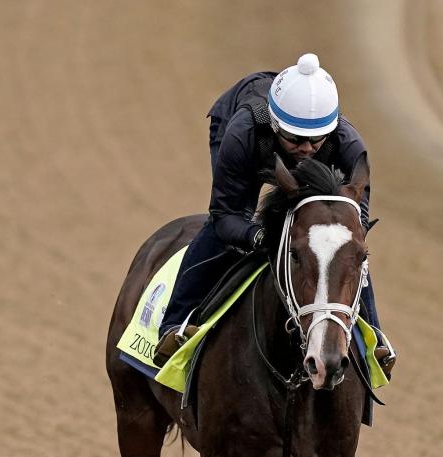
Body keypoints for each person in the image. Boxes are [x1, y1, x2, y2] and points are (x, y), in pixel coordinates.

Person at [154, 53, 394, 376]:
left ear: (331, 129)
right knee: (228, 232)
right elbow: (225, 215)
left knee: (345, 250)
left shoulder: (349, 146)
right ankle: (173, 325)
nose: (306, 148)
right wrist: (256, 235)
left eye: (316, 139)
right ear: (276, 124)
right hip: (246, 140)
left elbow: (356, 227)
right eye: (295, 138)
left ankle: (374, 340)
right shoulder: (243, 134)